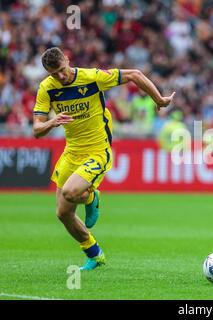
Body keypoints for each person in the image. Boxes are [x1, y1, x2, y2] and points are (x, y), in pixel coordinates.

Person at [32, 47, 175, 270]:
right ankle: (94, 254)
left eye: (61, 70)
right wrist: (52, 122)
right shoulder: (46, 89)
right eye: (54, 74)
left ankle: (91, 198)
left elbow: (135, 74)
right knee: (62, 213)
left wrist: (159, 99)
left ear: (67, 60)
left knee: (71, 192)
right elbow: (37, 130)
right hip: (72, 152)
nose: (60, 76)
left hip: (97, 150)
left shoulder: (91, 77)